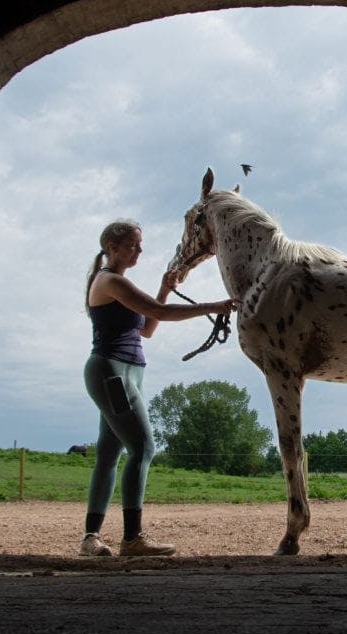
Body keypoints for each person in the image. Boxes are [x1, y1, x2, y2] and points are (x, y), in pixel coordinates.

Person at [79, 219, 240, 557]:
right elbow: (159, 312)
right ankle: (132, 539)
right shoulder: (108, 281)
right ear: (112, 246)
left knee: (110, 454)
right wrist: (215, 306)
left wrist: (165, 288)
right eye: (134, 244)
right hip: (112, 373)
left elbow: (148, 328)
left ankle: (91, 539)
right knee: (143, 448)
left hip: (127, 373)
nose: (140, 250)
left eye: (140, 244)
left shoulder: (117, 283)